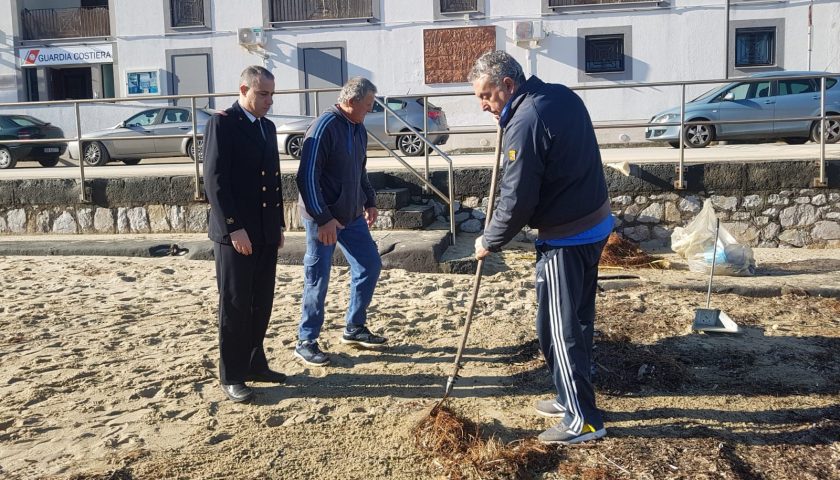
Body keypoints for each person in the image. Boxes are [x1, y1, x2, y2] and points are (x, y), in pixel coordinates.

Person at [469, 51, 614, 445]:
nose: (483, 105)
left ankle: (583, 419)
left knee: (558, 328)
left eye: (486, 96)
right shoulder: (558, 95)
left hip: (566, 236)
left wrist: (490, 240)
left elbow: (517, 200)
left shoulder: (525, 120)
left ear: (508, 86)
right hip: (594, 221)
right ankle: (570, 396)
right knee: (577, 320)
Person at [203, 65, 286, 403]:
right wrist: (234, 227)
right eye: (262, 93)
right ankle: (232, 374)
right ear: (244, 90)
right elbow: (215, 181)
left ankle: (255, 363)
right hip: (235, 233)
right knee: (235, 305)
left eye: (271, 94)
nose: (269, 100)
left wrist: (278, 224)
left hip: (264, 231)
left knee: (261, 301)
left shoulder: (267, 127)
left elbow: (273, 181)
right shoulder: (223, 123)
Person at [294, 77, 386, 367]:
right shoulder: (324, 126)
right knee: (318, 277)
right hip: (322, 217)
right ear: (351, 101)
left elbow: (360, 168)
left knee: (369, 265)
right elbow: (306, 176)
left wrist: (369, 200)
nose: (369, 111)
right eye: (368, 106)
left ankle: (354, 327)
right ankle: (306, 340)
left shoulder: (357, 127)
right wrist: (323, 219)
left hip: (351, 215)